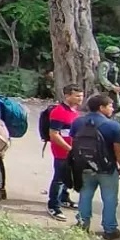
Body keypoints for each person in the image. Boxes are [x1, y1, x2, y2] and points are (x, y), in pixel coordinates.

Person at [70, 94, 120, 240]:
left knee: (85, 195)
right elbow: (118, 151)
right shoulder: (112, 126)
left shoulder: (78, 122)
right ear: (101, 108)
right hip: (107, 168)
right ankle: (110, 229)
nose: (112, 108)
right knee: (109, 198)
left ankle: (82, 225)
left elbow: (73, 143)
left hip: (84, 166)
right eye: (110, 105)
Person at [45, 85, 83, 221]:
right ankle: (53, 205)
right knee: (59, 178)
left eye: (81, 96)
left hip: (71, 150)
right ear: (67, 96)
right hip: (62, 151)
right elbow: (54, 134)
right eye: (77, 96)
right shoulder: (59, 112)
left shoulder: (74, 110)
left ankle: (64, 197)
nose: (80, 98)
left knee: (68, 176)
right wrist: (69, 148)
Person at [97, 46, 120, 113]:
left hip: (112, 90)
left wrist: (117, 87)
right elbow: (102, 78)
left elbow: (114, 78)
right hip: (106, 90)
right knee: (109, 107)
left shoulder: (113, 64)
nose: (117, 58)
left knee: (118, 107)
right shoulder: (105, 64)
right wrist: (112, 87)